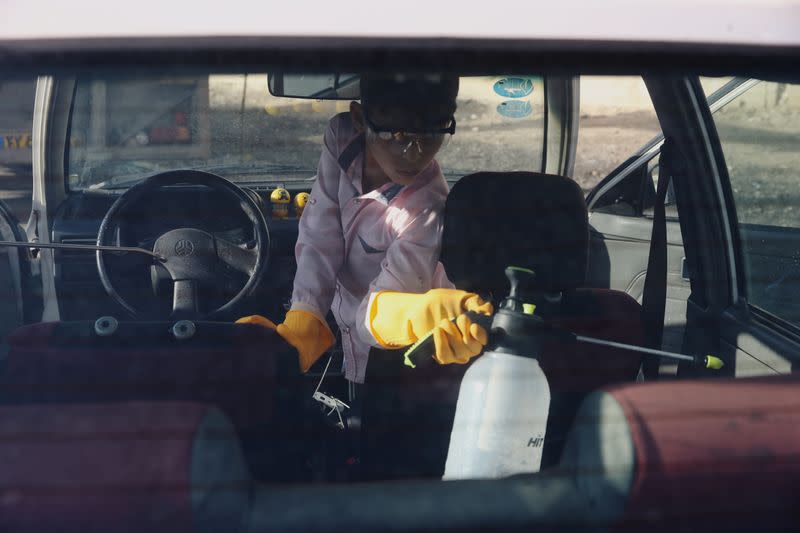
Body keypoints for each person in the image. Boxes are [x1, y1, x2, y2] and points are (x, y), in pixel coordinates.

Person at [238, 74, 492, 383]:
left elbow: (376, 314)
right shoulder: (342, 137)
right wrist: (306, 314)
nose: (415, 153)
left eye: (434, 131)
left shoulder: (426, 209)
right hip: (342, 330)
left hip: (399, 357)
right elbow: (321, 233)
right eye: (396, 133)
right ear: (360, 119)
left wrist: (417, 315)